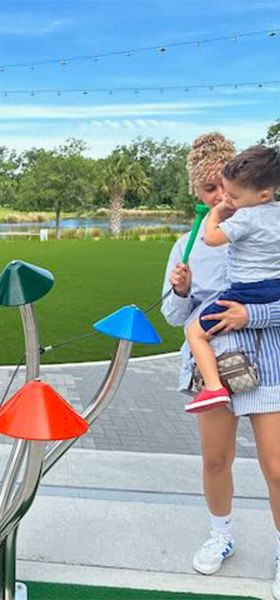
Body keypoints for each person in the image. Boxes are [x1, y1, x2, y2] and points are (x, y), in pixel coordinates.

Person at [161, 132, 280, 599]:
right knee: (215, 459)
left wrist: (253, 314)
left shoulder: (271, 227)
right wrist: (184, 289)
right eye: (210, 191)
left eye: (225, 189)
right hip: (212, 363)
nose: (221, 199)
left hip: (268, 358)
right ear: (199, 193)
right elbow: (175, 316)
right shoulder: (190, 243)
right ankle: (220, 535)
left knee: (276, 466)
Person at [185, 145, 280, 413]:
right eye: (212, 189)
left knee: (194, 331)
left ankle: (213, 388)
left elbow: (212, 238)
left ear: (263, 194)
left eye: (233, 195)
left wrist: (214, 215)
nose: (227, 200)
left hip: (248, 293)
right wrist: (183, 290)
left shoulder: (247, 216)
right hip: (275, 287)